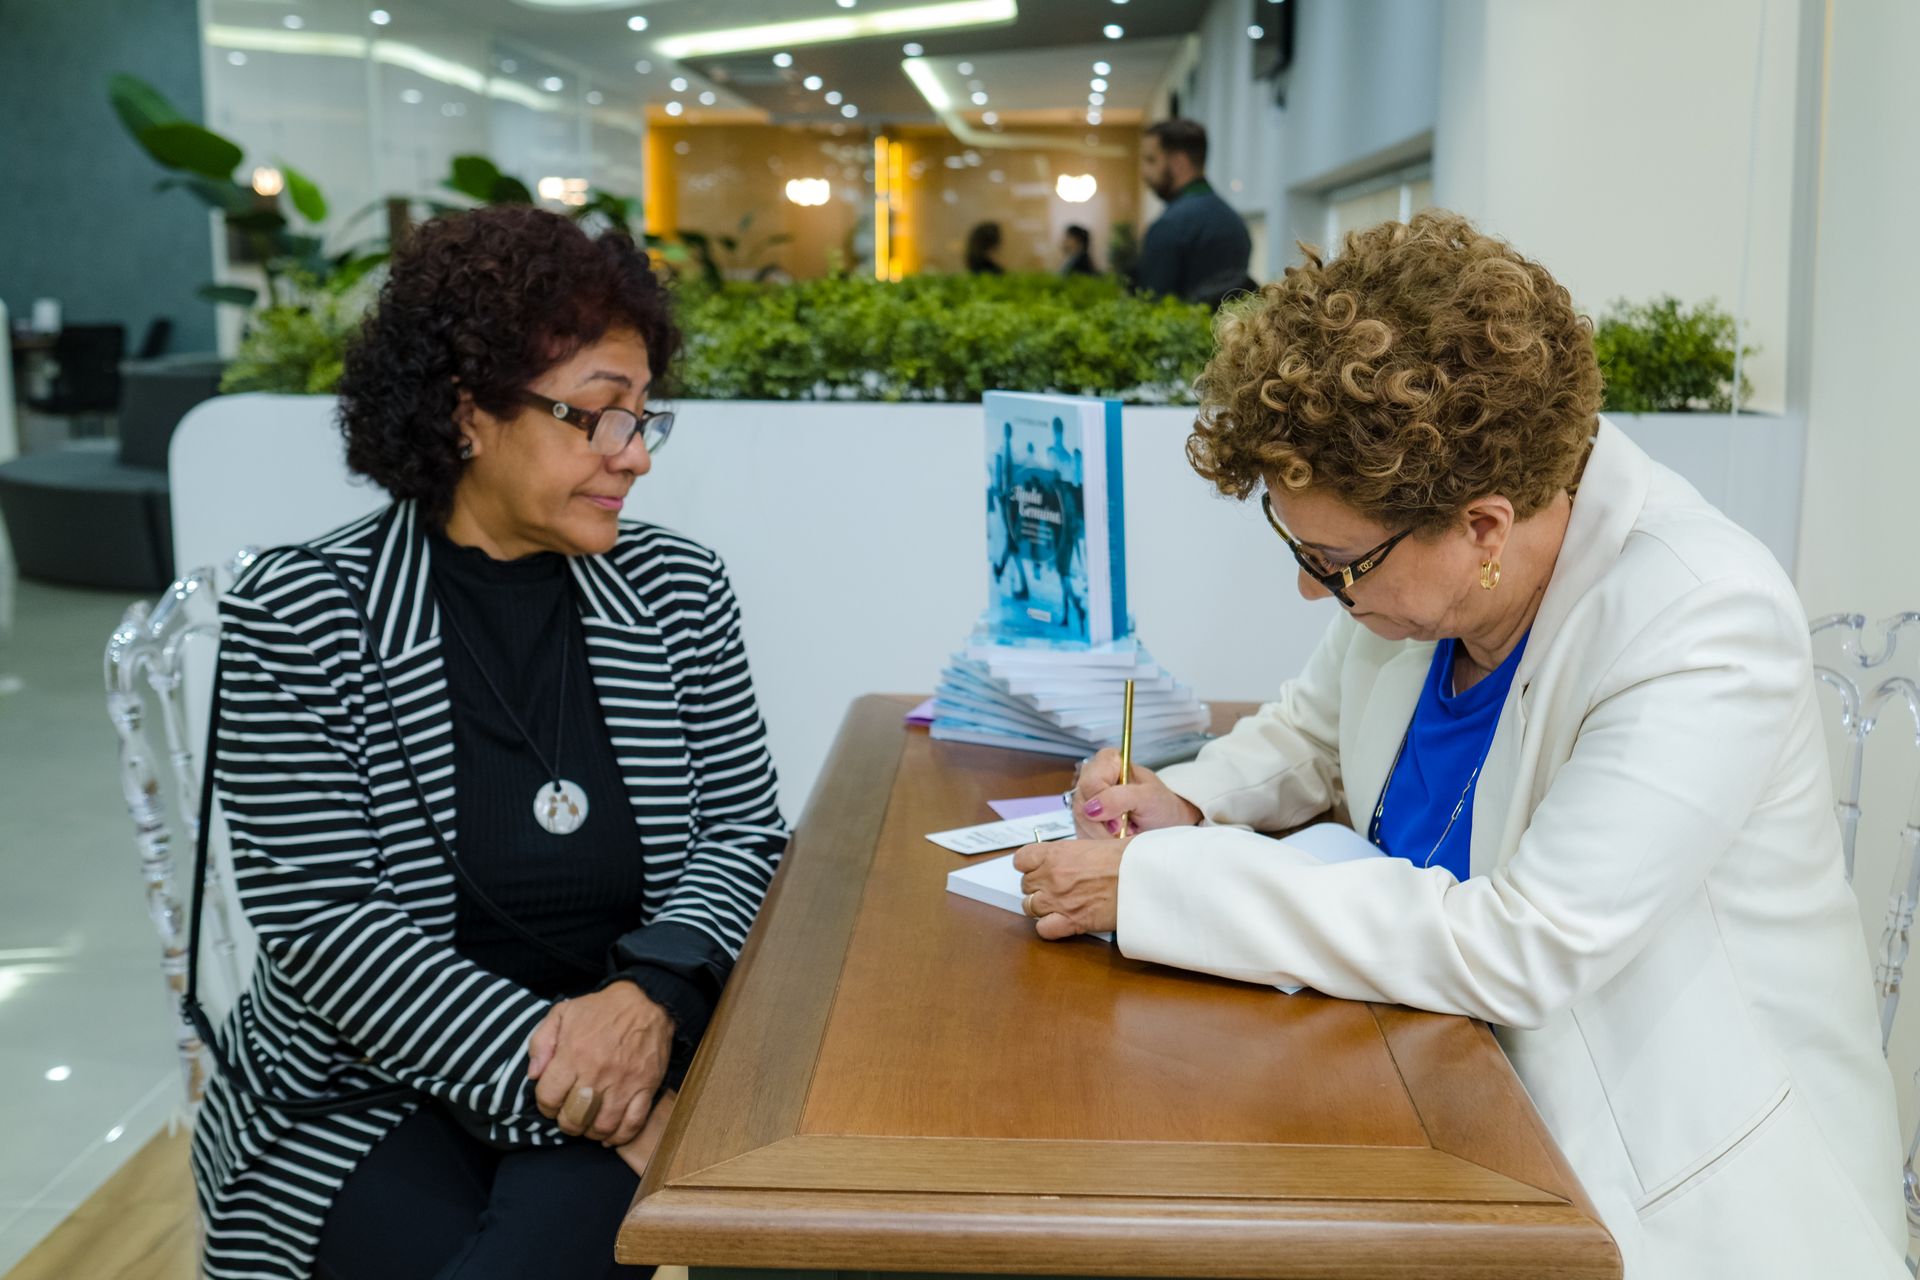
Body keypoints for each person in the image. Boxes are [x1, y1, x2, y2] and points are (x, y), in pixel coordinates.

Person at [1017, 211, 1906, 1276]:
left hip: (1671, 1200)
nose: (1312, 587)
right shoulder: (1425, 599)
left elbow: (1519, 943)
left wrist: (1165, 884)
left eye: (1337, 560)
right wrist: (1195, 800)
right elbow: (1315, 728)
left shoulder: (1700, 619)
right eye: (1298, 545)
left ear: (1484, 526)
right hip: (1447, 1104)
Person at [191, 206, 789, 1280]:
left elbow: (743, 834)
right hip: (369, 1079)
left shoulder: (677, 589)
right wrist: (585, 1085)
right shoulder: (302, 614)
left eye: (647, 417)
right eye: (599, 416)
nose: (636, 454)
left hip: (638, 1044)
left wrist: (646, 1006)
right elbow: (326, 923)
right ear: (468, 414)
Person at [1132, 118, 1253, 307]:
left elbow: (1150, 310)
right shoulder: (1235, 223)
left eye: (1151, 160)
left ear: (1178, 163)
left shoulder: (1169, 225)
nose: (1144, 172)